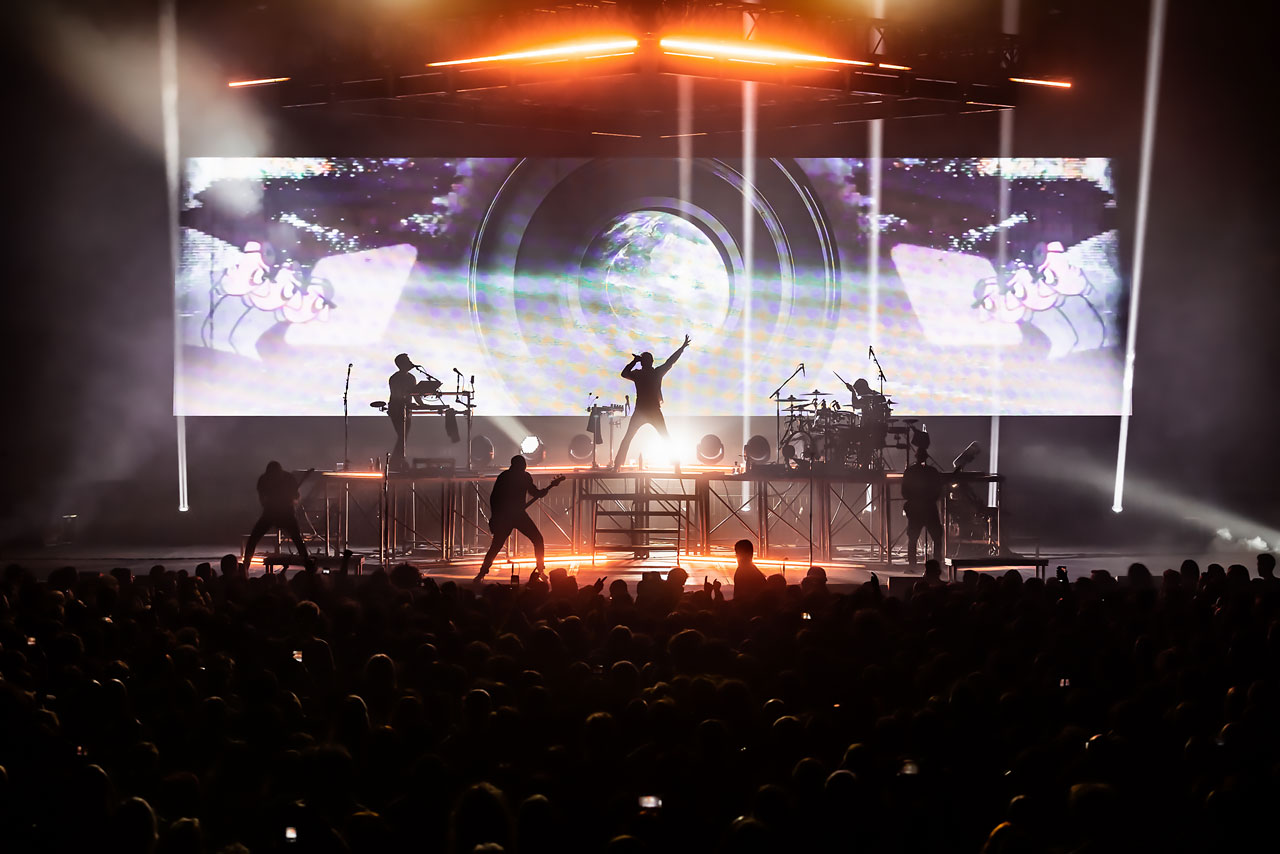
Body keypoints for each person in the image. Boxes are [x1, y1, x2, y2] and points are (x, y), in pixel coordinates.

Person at [612, 335, 690, 472]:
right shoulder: (655, 373)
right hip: (649, 411)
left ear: (643, 363)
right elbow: (670, 362)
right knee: (665, 437)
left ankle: (617, 466)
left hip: (645, 411)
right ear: (651, 362)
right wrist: (682, 348)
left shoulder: (640, 374)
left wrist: (634, 361)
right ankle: (676, 466)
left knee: (628, 439)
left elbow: (624, 373)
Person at [475, 456, 559, 582]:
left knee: (497, 546)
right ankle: (540, 570)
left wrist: (495, 517)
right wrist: (495, 517)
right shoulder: (517, 477)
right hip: (512, 516)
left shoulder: (509, 476)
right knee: (536, 540)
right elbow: (535, 493)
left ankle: (481, 574)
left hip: (510, 516)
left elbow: (495, 498)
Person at [241, 461, 311, 572]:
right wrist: (271, 505)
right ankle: (245, 566)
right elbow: (262, 499)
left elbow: (296, 497)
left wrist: (292, 498)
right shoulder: (264, 480)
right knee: (253, 539)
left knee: (297, 539)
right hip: (270, 513)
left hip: (286, 513)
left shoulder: (288, 478)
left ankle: (308, 565)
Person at [901, 448, 944, 568]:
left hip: (915, 509)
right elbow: (938, 491)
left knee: (913, 538)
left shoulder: (910, 472)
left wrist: (914, 499)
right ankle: (937, 565)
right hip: (929, 508)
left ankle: (912, 565)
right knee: (937, 537)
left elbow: (904, 492)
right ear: (926, 457)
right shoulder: (932, 471)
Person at [388, 353, 419, 468]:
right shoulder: (394, 378)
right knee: (402, 436)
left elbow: (415, 394)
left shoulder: (411, 377)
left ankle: (396, 462)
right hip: (396, 410)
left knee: (403, 437)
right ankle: (396, 463)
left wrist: (421, 404)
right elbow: (396, 395)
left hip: (407, 410)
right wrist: (408, 402)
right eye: (407, 360)